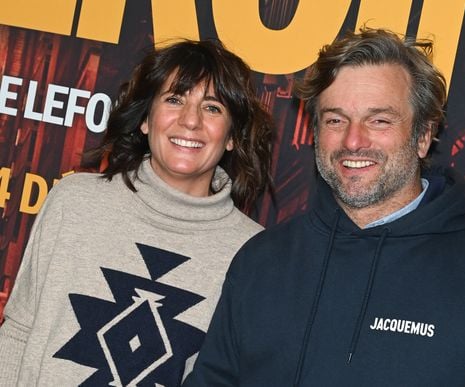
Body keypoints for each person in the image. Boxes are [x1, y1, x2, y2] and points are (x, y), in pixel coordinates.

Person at [185, 28, 465, 386]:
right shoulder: (263, 259)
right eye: (336, 119)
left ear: (423, 136)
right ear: (315, 131)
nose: (353, 141)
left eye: (379, 120)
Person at [0, 39, 273, 386]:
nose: (190, 121)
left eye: (212, 107)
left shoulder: (253, 253)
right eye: (174, 99)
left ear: (232, 136)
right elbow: (19, 333)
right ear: (145, 119)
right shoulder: (74, 202)